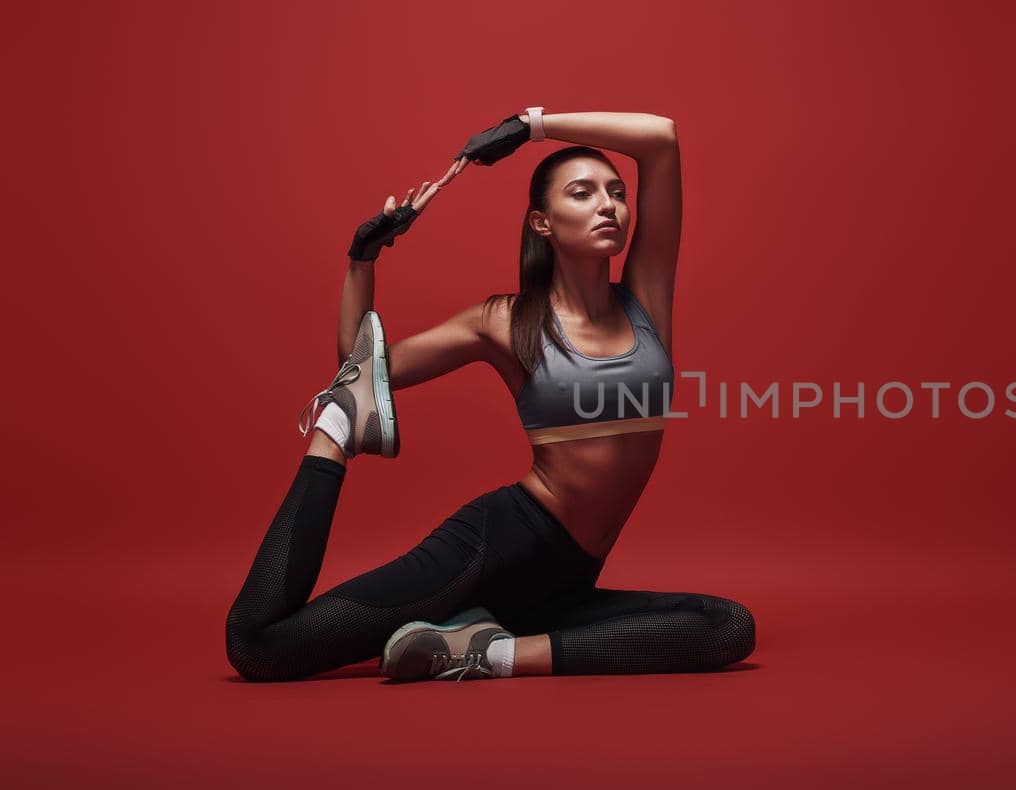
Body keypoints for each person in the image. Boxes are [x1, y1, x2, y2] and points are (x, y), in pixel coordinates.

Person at [224, 108, 756, 682]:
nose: (609, 205)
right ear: (541, 222)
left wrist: (534, 125)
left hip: (569, 578)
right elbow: (364, 369)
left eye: (617, 193)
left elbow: (661, 138)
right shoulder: (504, 321)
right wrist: (363, 261)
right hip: (496, 547)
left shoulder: (645, 301)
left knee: (727, 625)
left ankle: (486, 653)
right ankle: (334, 435)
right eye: (582, 193)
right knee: (263, 647)